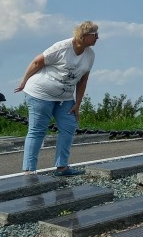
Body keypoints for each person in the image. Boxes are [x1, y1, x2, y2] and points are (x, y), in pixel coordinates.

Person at [15, 21, 99, 176]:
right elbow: (37, 62)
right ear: (85, 36)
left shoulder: (90, 55)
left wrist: (77, 104)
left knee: (69, 126)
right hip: (40, 94)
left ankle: (62, 167)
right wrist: (24, 82)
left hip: (64, 98)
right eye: (95, 35)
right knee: (38, 130)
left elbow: (83, 80)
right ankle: (29, 170)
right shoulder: (62, 47)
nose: (97, 38)